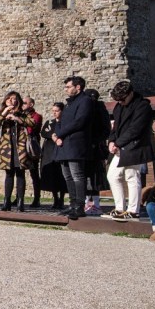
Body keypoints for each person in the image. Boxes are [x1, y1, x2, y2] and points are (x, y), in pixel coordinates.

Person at [106, 81, 154, 222]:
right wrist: (111, 141)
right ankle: (119, 208)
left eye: (122, 99)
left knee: (132, 177)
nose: (120, 102)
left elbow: (135, 129)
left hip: (135, 146)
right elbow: (115, 127)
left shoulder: (143, 106)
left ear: (130, 93)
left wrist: (118, 143)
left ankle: (133, 210)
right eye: (118, 100)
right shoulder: (119, 106)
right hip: (120, 146)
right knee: (112, 176)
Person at [51, 76, 92, 219]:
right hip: (64, 144)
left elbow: (80, 121)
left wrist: (60, 133)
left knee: (77, 175)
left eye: (68, 87)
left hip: (76, 144)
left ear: (78, 87)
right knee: (68, 176)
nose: (66, 90)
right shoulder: (69, 104)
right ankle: (72, 204)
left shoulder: (85, 101)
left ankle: (80, 206)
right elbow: (61, 121)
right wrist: (57, 135)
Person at [0, 91, 36, 212]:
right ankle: (7, 202)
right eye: (9, 99)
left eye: (14, 98)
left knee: (20, 174)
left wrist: (17, 118)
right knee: (9, 175)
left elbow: (32, 122)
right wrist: (4, 113)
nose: (11, 101)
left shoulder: (23, 112)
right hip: (7, 149)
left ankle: (20, 202)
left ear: (18, 101)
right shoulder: (2, 113)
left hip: (20, 148)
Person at [83, 89, 111, 216]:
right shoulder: (86, 108)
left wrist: (95, 141)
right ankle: (86, 202)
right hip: (85, 147)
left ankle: (95, 204)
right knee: (84, 176)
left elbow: (106, 129)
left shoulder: (99, 109)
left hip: (95, 148)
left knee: (95, 178)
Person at [40, 103, 67, 210]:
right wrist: (52, 135)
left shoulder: (65, 122)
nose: (54, 113)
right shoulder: (50, 123)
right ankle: (55, 198)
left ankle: (61, 199)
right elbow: (43, 132)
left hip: (61, 151)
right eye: (53, 111)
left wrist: (55, 135)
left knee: (61, 176)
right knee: (52, 176)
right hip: (50, 152)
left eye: (57, 111)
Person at [21, 97, 44, 207]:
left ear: (31, 104)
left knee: (34, 173)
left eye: (25, 103)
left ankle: (36, 198)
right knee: (20, 173)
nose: (23, 105)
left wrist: (21, 120)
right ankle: (19, 197)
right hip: (21, 146)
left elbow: (31, 128)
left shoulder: (36, 116)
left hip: (31, 147)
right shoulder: (21, 115)